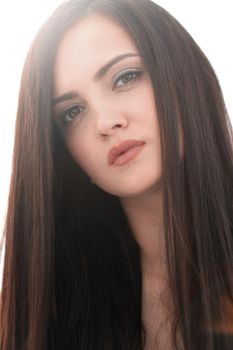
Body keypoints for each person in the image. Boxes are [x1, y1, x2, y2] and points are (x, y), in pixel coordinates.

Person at [0, 0, 233, 349]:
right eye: (72, 112)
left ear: (185, 76)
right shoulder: (56, 311)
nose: (106, 123)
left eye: (125, 77)